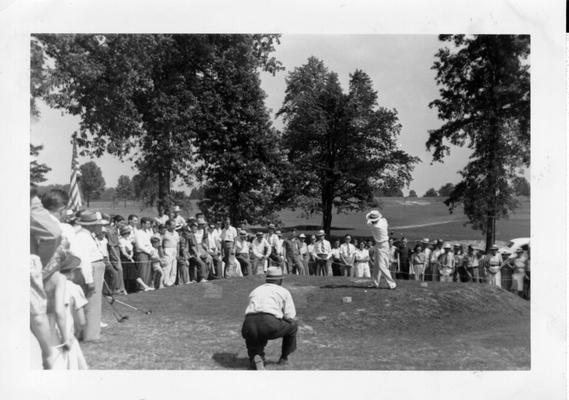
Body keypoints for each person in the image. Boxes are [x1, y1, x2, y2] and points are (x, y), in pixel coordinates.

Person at [241, 267, 297, 370]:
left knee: (254, 333)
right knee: (293, 326)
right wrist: (281, 317)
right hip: (268, 323)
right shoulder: (283, 291)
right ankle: (284, 358)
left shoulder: (255, 290)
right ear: (280, 280)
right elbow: (290, 316)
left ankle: (256, 357)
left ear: (267, 279)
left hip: (248, 324)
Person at [47, 255, 88, 369]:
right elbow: (82, 321)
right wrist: (76, 334)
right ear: (70, 272)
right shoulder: (74, 288)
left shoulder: (44, 286)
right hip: (65, 336)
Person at [73, 211, 109, 342]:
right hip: (92, 270)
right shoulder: (83, 237)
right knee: (91, 303)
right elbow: (84, 260)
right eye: (97, 224)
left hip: (96, 269)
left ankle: (92, 332)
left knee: (95, 302)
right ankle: (90, 334)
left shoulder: (88, 236)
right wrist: (89, 280)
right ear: (91, 225)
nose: (99, 227)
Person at [366, 210, 397, 289]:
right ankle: (375, 283)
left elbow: (368, 222)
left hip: (382, 245)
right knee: (376, 264)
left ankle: (392, 284)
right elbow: (384, 221)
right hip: (380, 244)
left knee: (381, 265)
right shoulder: (384, 220)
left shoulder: (375, 226)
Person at [106, 215, 126, 295]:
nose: (122, 224)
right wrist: (117, 257)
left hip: (117, 250)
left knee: (119, 270)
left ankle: (120, 289)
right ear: (116, 222)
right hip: (113, 251)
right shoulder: (110, 231)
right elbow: (111, 245)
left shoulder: (116, 230)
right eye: (121, 223)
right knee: (119, 269)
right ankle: (119, 289)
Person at [134, 217, 154, 287]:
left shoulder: (148, 232)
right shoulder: (138, 233)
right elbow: (140, 245)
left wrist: (152, 250)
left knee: (148, 271)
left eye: (149, 224)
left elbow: (150, 243)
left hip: (148, 253)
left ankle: (147, 286)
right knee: (142, 271)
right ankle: (141, 287)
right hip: (142, 253)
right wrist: (148, 251)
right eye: (147, 224)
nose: (149, 225)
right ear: (143, 224)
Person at [161, 220, 180, 286]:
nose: (174, 226)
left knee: (174, 267)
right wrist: (162, 253)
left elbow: (178, 244)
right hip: (167, 250)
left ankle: (172, 282)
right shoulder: (164, 233)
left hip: (174, 250)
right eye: (173, 225)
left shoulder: (176, 233)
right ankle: (166, 282)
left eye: (174, 225)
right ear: (168, 226)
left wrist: (178, 253)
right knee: (167, 267)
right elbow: (161, 244)